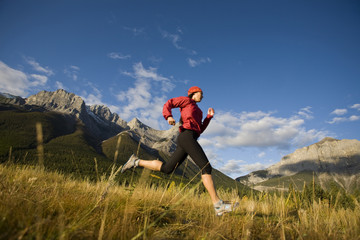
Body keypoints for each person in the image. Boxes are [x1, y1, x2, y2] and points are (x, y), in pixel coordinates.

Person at [121, 86, 237, 216]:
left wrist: (209, 117)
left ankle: (136, 161)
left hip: (190, 138)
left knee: (167, 169)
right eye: (201, 93)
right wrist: (168, 116)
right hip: (186, 137)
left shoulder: (198, 111)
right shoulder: (186, 101)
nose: (202, 96)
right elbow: (169, 103)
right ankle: (218, 205)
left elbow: (200, 130)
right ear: (193, 93)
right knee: (206, 167)